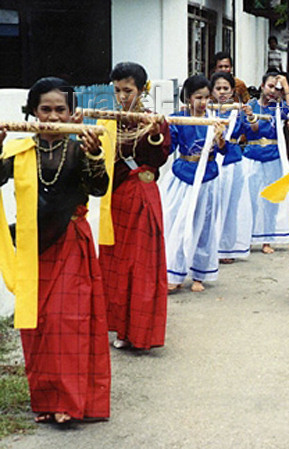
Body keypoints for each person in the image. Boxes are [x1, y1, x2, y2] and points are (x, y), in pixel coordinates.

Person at [0, 77, 110, 424]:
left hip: (70, 245)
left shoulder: (80, 147)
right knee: (39, 327)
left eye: (59, 109)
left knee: (68, 323)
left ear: (71, 112)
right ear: (32, 112)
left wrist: (93, 153)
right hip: (32, 248)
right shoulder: (18, 150)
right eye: (45, 109)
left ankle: (70, 403)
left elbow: (99, 187)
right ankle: (47, 401)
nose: (51, 115)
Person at [100, 62, 171, 351]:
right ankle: (122, 327)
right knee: (118, 263)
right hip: (116, 199)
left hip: (142, 195)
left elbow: (158, 159)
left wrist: (153, 133)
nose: (121, 96)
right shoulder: (108, 120)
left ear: (142, 90)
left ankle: (142, 332)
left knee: (142, 265)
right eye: (117, 90)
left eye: (127, 90)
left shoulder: (155, 120)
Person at [162, 75, 232, 292]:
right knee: (179, 225)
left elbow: (224, 150)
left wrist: (220, 138)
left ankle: (200, 275)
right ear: (188, 98)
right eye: (197, 97)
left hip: (208, 178)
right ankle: (174, 272)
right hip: (184, 176)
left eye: (206, 97)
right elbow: (168, 146)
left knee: (205, 226)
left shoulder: (214, 119)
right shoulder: (178, 118)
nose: (202, 102)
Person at [241, 71, 289, 254]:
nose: (273, 91)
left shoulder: (278, 109)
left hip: (273, 157)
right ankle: (246, 239)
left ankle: (267, 240)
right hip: (251, 156)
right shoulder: (249, 106)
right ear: (262, 86)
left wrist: (287, 88)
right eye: (270, 86)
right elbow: (245, 127)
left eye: (277, 89)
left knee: (270, 201)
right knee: (249, 200)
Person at [210, 71, 253, 264]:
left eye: (225, 88)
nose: (222, 92)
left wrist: (251, 118)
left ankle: (226, 247)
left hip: (233, 161)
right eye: (218, 88)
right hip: (211, 161)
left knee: (231, 205)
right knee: (213, 204)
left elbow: (251, 132)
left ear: (232, 90)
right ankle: (211, 246)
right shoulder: (206, 111)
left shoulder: (239, 112)